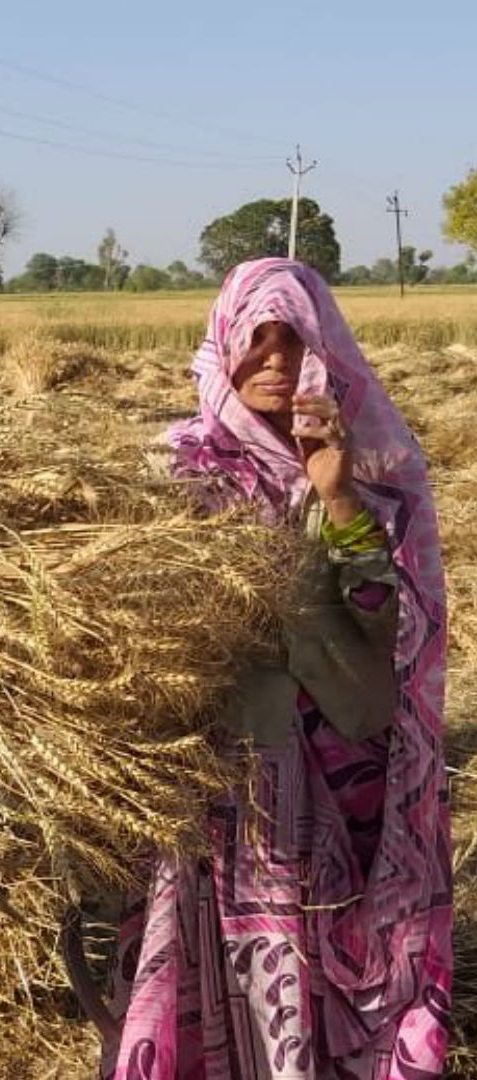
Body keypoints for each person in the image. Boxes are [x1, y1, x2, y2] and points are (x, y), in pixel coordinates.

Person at [102, 258, 450, 1080]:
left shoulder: (372, 472)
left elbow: (395, 625)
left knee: (338, 994)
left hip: (345, 780)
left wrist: (335, 499)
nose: (275, 361)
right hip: (221, 784)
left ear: (324, 350)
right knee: (215, 980)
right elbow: (133, 630)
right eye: (255, 340)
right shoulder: (175, 475)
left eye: (294, 341)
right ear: (223, 345)